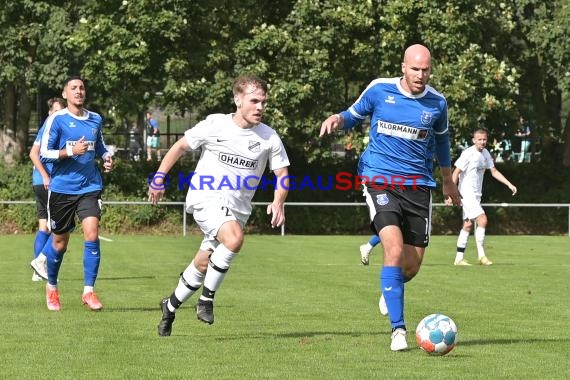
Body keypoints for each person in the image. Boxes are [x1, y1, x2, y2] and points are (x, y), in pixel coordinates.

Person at [319, 44, 462, 351]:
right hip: (378, 178)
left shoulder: (437, 103)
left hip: (418, 186)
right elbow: (353, 115)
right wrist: (336, 119)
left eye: (425, 70)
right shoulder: (379, 90)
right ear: (403, 67)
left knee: (410, 267)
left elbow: (442, 142)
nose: (420, 75)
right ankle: (398, 330)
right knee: (393, 250)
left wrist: (448, 182)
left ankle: (390, 286)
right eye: (415, 69)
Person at [148, 74, 290, 337]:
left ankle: (169, 307)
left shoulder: (269, 138)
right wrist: (159, 177)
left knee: (203, 263)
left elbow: (282, 176)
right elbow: (180, 146)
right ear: (238, 100)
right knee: (234, 238)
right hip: (205, 197)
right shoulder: (215, 124)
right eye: (254, 100)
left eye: (263, 102)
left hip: (237, 209)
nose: (260, 107)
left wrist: (278, 201)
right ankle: (206, 300)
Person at [39, 76, 114, 311]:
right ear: (65, 94)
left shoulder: (95, 119)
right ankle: (52, 287)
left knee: (91, 233)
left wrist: (106, 157)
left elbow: (99, 145)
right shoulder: (57, 120)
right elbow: (43, 153)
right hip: (62, 189)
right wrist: (70, 150)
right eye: (74, 88)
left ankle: (88, 292)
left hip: (90, 187)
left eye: (81, 88)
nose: (79, 91)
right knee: (59, 243)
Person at [452, 128, 517, 266]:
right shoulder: (468, 153)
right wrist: (451, 194)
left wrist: (509, 184)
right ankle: (482, 256)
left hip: (476, 195)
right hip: (466, 193)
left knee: (468, 225)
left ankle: (458, 259)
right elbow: (455, 173)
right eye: (479, 139)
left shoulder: (486, 153)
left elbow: (493, 171)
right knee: (482, 219)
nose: (482, 142)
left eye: (484, 139)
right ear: (474, 140)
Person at [29, 97, 66, 281]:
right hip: (47, 182)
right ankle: (41, 264)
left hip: (40, 181)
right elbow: (33, 154)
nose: (60, 114)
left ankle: (37, 271)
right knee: (57, 228)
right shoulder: (52, 128)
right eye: (57, 111)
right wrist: (45, 175)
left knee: (44, 226)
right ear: (50, 112)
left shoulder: (46, 127)